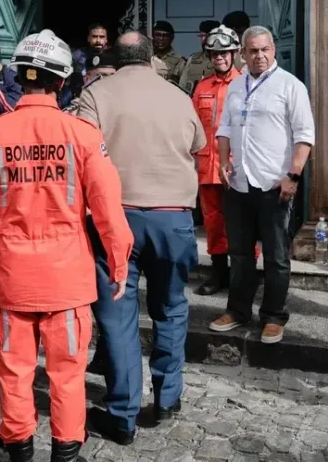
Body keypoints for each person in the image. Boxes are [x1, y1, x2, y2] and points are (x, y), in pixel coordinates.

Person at [0, 30, 134, 462]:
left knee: (15, 370)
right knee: (67, 373)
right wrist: (118, 262)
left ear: (20, 75)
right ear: (62, 82)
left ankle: (19, 448)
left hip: (13, 274)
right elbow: (109, 209)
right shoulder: (82, 133)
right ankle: (66, 451)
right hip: (68, 277)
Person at [74, 31, 205, 444]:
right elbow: (198, 145)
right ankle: (168, 397)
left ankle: (122, 413)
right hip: (172, 218)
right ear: (151, 58)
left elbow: (80, 151)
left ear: (116, 56)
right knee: (171, 306)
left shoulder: (96, 95)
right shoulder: (178, 96)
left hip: (117, 218)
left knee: (117, 317)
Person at [208, 26, 315, 344]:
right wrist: (223, 160)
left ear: (273, 50)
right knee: (240, 254)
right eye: (252, 50)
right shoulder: (237, 86)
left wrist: (293, 176)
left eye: (264, 49)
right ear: (243, 52)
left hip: (274, 184)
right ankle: (238, 311)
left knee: (276, 256)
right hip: (239, 184)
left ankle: (273, 316)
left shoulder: (290, 86)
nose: (259, 55)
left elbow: (304, 135)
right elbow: (225, 126)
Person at [190, 26, 250, 295]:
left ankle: (244, 276)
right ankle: (218, 274)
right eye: (214, 54)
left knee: (242, 223)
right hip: (207, 168)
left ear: (235, 53)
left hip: (238, 169)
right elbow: (192, 128)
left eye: (224, 53)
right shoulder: (202, 87)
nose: (219, 58)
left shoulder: (247, 85)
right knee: (213, 224)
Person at [178, 20, 221, 93]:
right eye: (201, 36)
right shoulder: (193, 59)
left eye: (207, 36)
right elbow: (182, 86)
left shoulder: (224, 60)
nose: (203, 40)